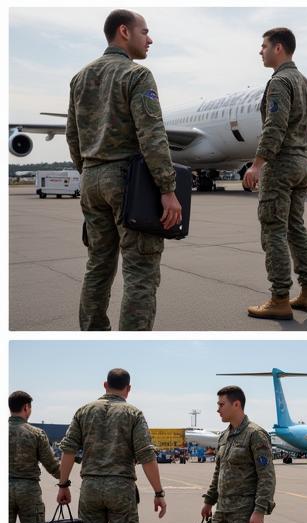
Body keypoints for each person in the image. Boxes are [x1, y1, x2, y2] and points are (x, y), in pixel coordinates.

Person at [68, 9, 182, 331]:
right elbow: (153, 136)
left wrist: (89, 170)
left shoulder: (80, 78)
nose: (150, 39)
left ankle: (92, 333)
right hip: (127, 183)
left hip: (91, 179)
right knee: (141, 270)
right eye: (144, 31)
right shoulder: (136, 75)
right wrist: (167, 190)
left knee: (98, 265)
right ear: (124, 31)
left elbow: (72, 135)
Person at [244, 27, 307, 321]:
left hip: (282, 164)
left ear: (278, 48)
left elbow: (274, 126)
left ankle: (279, 298)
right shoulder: (306, 84)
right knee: (296, 228)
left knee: (273, 231)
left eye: (263, 46)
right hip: (302, 162)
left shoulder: (280, 82)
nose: (260, 51)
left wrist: (257, 164)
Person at [57, 368, 166, 523]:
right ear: (128, 389)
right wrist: (158, 493)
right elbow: (146, 456)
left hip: (90, 488)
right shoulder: (133, 414)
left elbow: (68, 450)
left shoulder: (83, 412)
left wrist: (63, 485)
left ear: (105, 385)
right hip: (121, 489)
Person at [201, 386, 276, 523]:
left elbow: (266, 476)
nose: (218, 409)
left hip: (244, 513)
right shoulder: (224, 436)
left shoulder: (255, 435)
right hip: (221, 511)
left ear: (236, 404)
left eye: (221, 405)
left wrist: (259, 511)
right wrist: (209, 501)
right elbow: (218, 473)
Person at [9, 390, 61, 523]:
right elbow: (52, 466)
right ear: (26, 407)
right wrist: (64, 480)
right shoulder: (36, 434)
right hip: (29, 491)